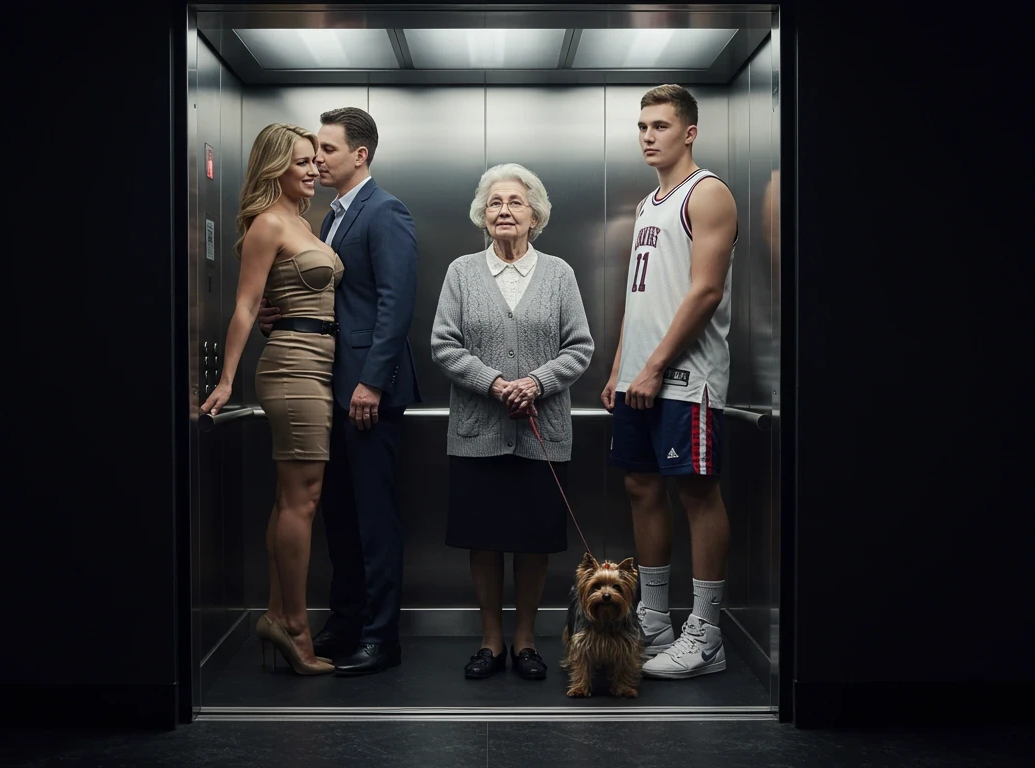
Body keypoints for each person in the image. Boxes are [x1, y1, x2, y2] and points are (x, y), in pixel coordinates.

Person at [258, 107, 420, 676]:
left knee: (374, 519)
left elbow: (395, 306)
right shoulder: (327, 218)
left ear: (361, 155)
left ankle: (382, 638)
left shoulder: (384, 211)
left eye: (327, 149)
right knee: (341, 520)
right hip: (329, 386)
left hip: (366, 391)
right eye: (315, 151)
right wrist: (280, 315)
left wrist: (371, 382)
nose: (317, 159)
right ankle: (346, 622)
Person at [430, 163, 594, 681]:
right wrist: (498, 383)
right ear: (483, 215)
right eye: (495, 202)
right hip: (477, 433)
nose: (504, 210)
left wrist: (537, 384)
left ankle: (525, 641)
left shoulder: (560, 273)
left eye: (516, 202)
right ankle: (490, 641)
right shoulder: (461, 271)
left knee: (533, 539)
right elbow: (443, 344)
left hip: (543, 437)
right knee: (484, 539)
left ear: (535, 215)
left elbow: (580, 347)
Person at [601, 84, 739, 680]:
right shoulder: (647, 203)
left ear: (689, 133)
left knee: (696, 493)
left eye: (659, 126)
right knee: (641, 487)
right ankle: (654, 618)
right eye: (641, 126)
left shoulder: (706, 194)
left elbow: (705, 291)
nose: (648, 136)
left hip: (685, 379)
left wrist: (656, 365)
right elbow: (640, 297)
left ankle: (706, 635)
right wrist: (621, 367)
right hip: (639, 376)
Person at [201, 123, 343, 676]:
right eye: (302, 162)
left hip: (317, 364)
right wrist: (226, 380)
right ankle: (297, 626)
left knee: (293, 498)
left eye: (315, 160)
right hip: (292, 367)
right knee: (302, 500)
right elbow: (244, 306)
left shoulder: (302, 223)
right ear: (274, 168)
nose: (313, 169)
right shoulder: (268, 224)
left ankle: (276, 615)